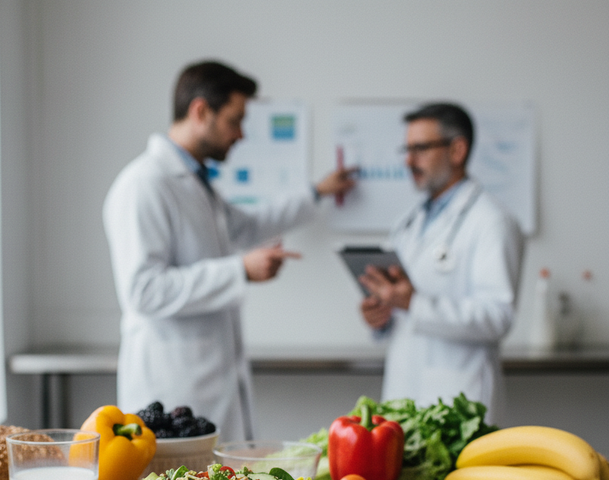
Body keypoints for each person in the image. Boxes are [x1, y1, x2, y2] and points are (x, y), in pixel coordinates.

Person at [103, 60, 356, 441]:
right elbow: (144, 291)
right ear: (201, 111)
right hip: (170, 383)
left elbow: (248, 226)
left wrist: (316, 192)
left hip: (206, 381)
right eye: (235, 120)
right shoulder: (144, 185)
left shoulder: (198, 185)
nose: (240, 135)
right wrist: (239, 270)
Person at [358, 102, 524, 423]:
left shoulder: (492, 221)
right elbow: (403, 314)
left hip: (460, 400)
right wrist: (381, 315)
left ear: (457, 149)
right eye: (406, 150)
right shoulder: (407, 224)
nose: (408, 160)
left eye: (420, 148)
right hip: (403, 395)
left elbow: (498, 316)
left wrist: (413, 303)